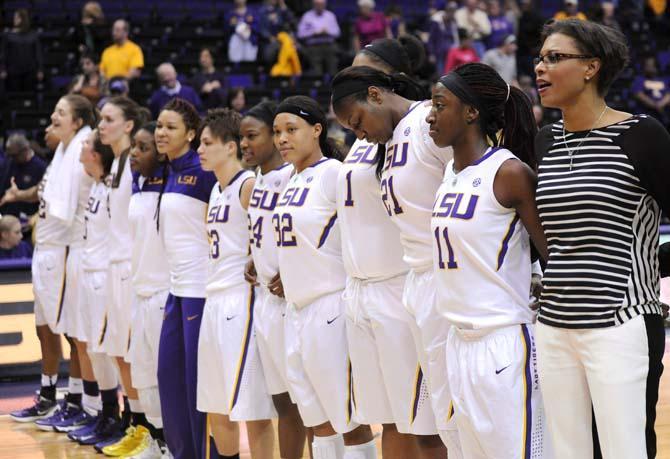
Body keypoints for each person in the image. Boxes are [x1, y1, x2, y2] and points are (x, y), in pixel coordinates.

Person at [533, 19, 670, 458]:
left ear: (591, 67)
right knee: (568, 451)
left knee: (624, 450)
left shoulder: (641, 136)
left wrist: (655, 263)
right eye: (540, 58)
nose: (540, 68)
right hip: (553, 325)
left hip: (621, 321)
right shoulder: (545, 141)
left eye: (555, 58)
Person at [331, 66, 459, 456]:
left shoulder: (426, 122)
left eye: (358, 123)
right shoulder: (387, 140)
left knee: (444, 422)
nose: (360, 134)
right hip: (416, 287)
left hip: (446, 283)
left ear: (376, 95)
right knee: (422, 422)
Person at [426, 62, 552, 458]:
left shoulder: (509, 172)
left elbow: (552, 251)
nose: (430, 114)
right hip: (457, 341)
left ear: (471, 112)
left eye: (440, 104)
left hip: (502, 343)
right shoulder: (449, 171)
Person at [272, 95, 376, 459]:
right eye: (277, 132)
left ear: (317, 130)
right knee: (316, 419)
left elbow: (356, 232)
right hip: (296, 310)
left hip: (330, 306)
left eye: (291, 129)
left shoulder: (334, 173)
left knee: (349, 419)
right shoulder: (287, 178)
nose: (282, 138)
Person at [9, 96, 94, 427]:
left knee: (72, 331)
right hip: (46, 247)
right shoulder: (61, 153)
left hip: (65, 250)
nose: (52, 118)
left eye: (60, 113)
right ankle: (48, 395)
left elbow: (66, 209)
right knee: (44, 326)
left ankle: (76, 398)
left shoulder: (79, 151)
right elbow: (47, 200)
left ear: (77, 122)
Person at [197, 108, 277, 458]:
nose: (199, 149)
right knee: (216, 403)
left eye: (206, 142)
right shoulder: (216, 190)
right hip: (213, 300)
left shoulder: (248, 185)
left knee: (251, 406)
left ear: (230, 147)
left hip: (240, 303)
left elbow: (271, 237)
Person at [242, 101, 310, 459]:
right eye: (242, 138)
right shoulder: (256, 182)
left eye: (252, 136)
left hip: (293, 302)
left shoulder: (291, 176)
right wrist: (256, 256)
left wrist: (290, 266)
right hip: (265, 301)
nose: (245, 144)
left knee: (308, 402)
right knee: (282, 399)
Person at [155, 98, 219, 459]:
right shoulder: (172, 170)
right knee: (169, 378)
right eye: (159, 126)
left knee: (197, 387)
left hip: (201, 290)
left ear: (191, 134)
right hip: (176, 289)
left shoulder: (203, 169)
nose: (161, 133)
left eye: (170, 127)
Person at [89, 96, 150, 449]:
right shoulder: (116, 164)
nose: (102, 124)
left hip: (129, 267)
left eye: (108, 118)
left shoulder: (133, 163)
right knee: (118, 353)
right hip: (114, 265)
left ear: (128, 124)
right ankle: (134, 422)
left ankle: (144, 428)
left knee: (131, 355)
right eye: (100, 118)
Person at [54, 129, 119, 442]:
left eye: (87, 143)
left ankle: (116, 416)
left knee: (106, 351)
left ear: (96, 153)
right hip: (90, 271)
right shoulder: (95, 185)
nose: (81, 145)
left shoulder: (111, 188)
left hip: (105, 276)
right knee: (92, 348)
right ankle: (102, 412)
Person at [122, 122, 171, 457]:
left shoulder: (173, 186)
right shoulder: (136, 185)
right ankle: (157, 441)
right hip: (139, 291)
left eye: (143, 147)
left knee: (165, 379)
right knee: (143, 377)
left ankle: (176, 444)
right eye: (134, 147)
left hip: (164, 292)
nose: (134, 154)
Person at [0, 133, 47, 222]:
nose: (12, 158)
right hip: (8, 218)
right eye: (9, 155)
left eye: (14, 155)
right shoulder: (9, 163)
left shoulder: (41, 167)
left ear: (25, 150)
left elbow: (41, 196)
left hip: (29, 218)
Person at [0, 9, 43, 92]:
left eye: (16, 18)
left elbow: (38, 54)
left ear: (23, 19)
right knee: (13, 96)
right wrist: (2, 69)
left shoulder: (33, 36)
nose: (14, 20)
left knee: (29, 95)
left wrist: (40, 69)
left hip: (30, 71)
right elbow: (3, 54)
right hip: (13, 72)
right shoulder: (8, 36)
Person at [297, 0, 341, 77]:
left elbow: (337, 33)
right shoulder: (307, 16)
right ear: (313, 4)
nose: (320, 6)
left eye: (322, 4)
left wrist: (327, 31)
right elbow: (300, 34)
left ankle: (333, 87)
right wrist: (313, 33)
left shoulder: (330, 15)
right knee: (316, 73)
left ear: (325, 4)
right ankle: (318, 87)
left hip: (329, 45)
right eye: (317, 4)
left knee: (333, 71)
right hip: (313, 47)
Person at [633, 56, 670, 125]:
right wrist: (655, 105)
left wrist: (661, 104)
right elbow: (639, 95)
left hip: (662, 116)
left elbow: (668, 95)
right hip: (645, 115)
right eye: (647, 65)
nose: (650, 68)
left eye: (652, 65)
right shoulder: (639, 80)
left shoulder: (663, 80)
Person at [427, 1, 459, 78]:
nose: (452, 14)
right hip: (439, 54)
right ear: (446, 11)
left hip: (451, 54)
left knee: (450, 75)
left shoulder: (453, 23)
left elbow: (456, 39)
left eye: (453, 12)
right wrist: (431, 54)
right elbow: (431, 39)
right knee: (441, 75)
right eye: (450, 11)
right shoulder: (437, 23)